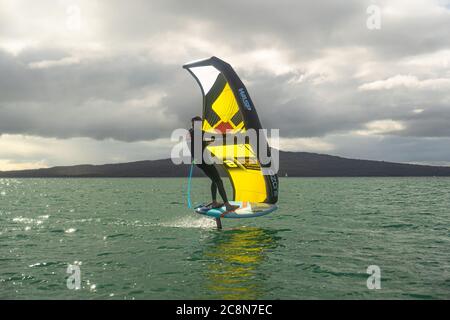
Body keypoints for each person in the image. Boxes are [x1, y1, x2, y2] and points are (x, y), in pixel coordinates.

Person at [188, 116, 239, 226]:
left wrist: (210, 141)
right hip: (203, 160)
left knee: (214, 180)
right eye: (197, 123)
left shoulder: (195, 132)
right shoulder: (197, 132)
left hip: (200, 160)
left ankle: (215, 202)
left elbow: (204, 141)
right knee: (219, 181)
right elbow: (214, 136)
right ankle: (227, 204)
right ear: (193, 124)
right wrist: (228, 136)